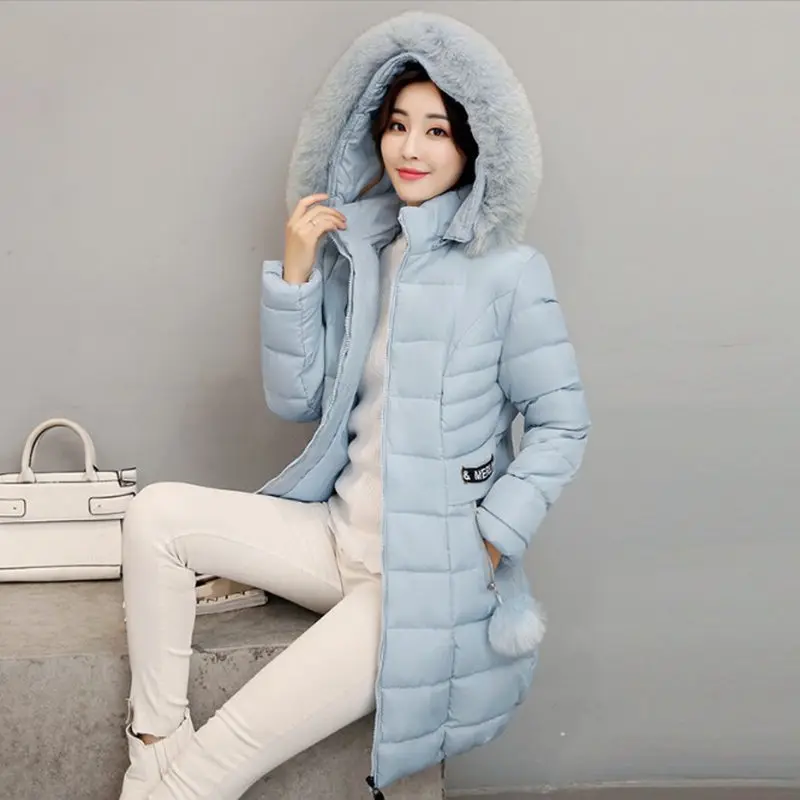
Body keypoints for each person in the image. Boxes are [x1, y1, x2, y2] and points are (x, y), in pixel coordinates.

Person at [118, 10, 590, 800]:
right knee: (154, 516)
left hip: (420, 584)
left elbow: (562, 424)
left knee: (219, 761)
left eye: (436, 131)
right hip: (336, 539)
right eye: (398, 125)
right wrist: (297, 274)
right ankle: (153, 742)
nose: (411, 148)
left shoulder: (509, 273)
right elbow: (300, 400)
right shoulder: (366, 253)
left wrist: (488, 542)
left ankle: (163, 784)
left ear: (472, 146)